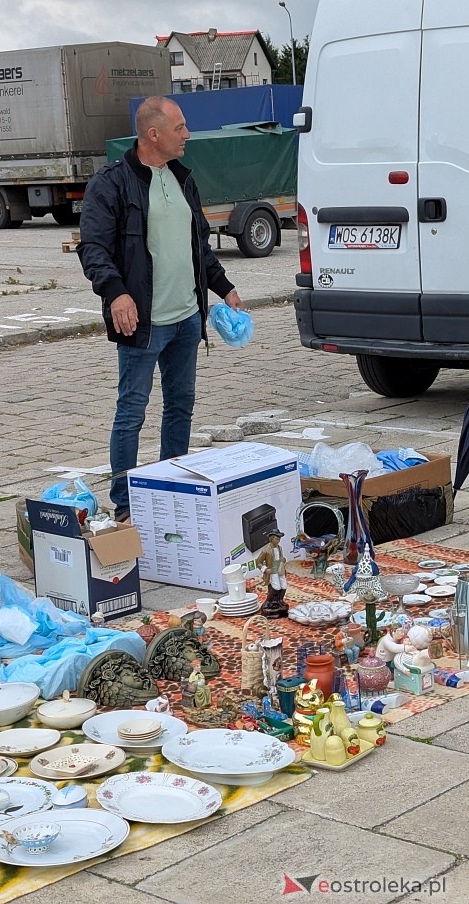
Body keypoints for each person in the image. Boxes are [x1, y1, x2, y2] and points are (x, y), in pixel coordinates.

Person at [78, 96, 243, 522]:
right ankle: (126, 504)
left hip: (188, 318)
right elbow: (93, 247)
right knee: (131, 411)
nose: (187, 135)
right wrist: (116, 293)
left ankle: (172, 489)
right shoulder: (112, 183)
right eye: (180, 128)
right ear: (154, 134)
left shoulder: (182, 178)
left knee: (181, 406)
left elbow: (198, 244)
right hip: (144, 323)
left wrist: (223, 287)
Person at [257, 528, 289, 619]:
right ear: (271, 538)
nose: (278, 540)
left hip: (280, 569)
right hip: (272, 570)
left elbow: (282, 558)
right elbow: (258, 562)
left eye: (279, 538)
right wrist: (265, 569)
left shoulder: (280, 548)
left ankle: (280, 600)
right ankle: (268, 601)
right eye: (276, 538)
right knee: (276, 587)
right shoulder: (266, 550)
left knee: (284, 586)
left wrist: (283, 560)